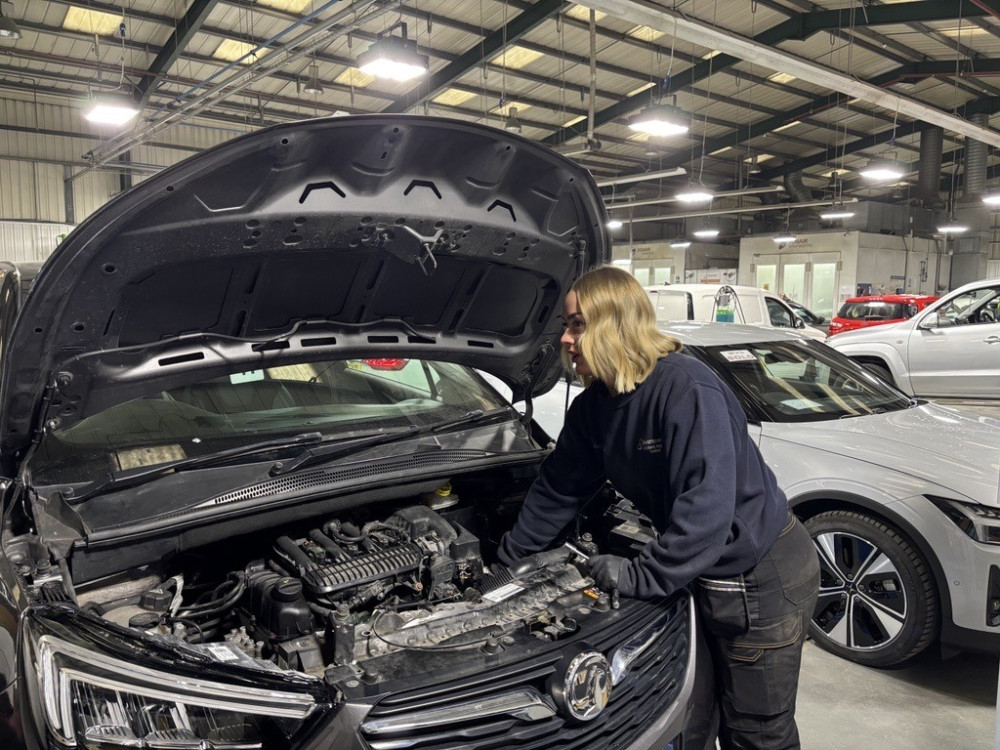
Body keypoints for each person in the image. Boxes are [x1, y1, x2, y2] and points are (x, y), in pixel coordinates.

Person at [498, 265, 820, 750]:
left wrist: (637, 577)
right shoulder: (595, 407)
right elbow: (558, 490)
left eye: (577, 324)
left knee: (756, 731)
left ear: (615, 323)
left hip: (759, 575)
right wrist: (506, 565)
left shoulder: (686, 389)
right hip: (701, 571)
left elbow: (705, 516)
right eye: (567, 325)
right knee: (700, 711)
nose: (565, 339)